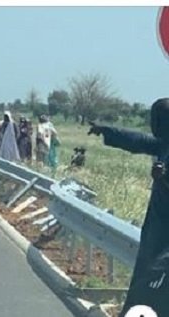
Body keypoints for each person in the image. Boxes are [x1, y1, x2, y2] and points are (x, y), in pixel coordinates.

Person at [89, 98, 169, 317]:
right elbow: (137, 140)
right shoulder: (164, 143)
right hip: (157, 229)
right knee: (145, 281)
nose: (153, 126)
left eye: (156, 120)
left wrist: (165, 179)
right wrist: (107, 130)